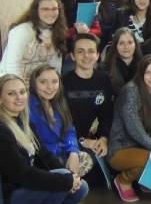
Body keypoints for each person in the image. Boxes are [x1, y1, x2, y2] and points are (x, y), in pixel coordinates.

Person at [0, 74, 87, 204]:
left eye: (22, 92)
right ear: (1, 99)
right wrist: (64, 179)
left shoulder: (24, 122)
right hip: (8, 202)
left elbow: (45, 157)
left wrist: (72, 177)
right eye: (11, 93)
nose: (19, 97)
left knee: (81, 189)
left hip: (25, 190)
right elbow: (22, 175)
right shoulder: (3, 131)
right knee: (62, 180)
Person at [108, 55, 151, 203]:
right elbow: (137, 133)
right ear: (141, 74)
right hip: (121, 149)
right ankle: (123, 180)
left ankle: (145, 179)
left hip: (144, 148)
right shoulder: (131, 91)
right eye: (148, 72)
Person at [28, 65, 92, 177]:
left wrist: (73, 152)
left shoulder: (58, 103)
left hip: (62, 152)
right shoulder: (28, 107)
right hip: (43, 160)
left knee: (87, 158)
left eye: (54, 81)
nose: (50, 87)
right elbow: (37, 146)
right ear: (34, 83)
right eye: (43, 82)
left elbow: (69, 130)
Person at [63, 34, 114, 174]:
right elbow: (62, 123)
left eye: (91, 51)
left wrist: (104, 138)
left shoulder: (104, 80)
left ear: (97, 55)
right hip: (71, 142)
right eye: (80, 51)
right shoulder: (63, 83)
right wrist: (82, 141)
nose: (86, 55)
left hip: (96, 140)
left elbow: (106, 114)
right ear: (72, 56)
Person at [0, 0, 67, 83]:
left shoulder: (58, 32)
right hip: (11, 81)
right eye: (45, 9)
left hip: (39, 84)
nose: (51, 13)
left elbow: (55, 65)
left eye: (54, 9)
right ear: (36, 11)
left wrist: (55, 84)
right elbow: (12, 65)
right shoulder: (22, 31)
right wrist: (21, 89)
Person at [103, 27, 142, 96]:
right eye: (121, 43)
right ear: (115, 46)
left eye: (130, 42)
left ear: (135, 44)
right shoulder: (105, 67)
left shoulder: (143, 66)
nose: (126, 47)